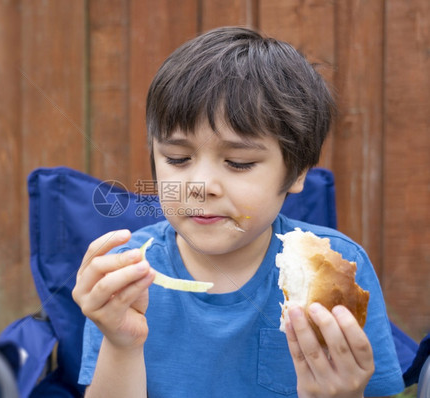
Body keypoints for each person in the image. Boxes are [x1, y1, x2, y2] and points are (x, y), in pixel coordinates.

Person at [72, 26, 404, 397]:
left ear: (296, 173)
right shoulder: (126, 277)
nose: (200, 186)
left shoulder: (338, 268)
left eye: (239, 162)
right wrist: (121, 344)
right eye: (178, 158)